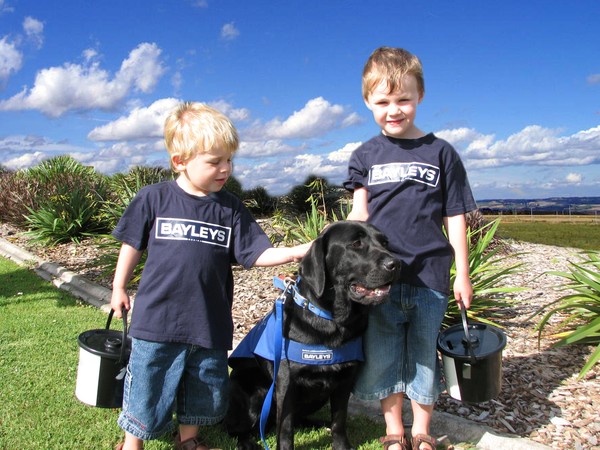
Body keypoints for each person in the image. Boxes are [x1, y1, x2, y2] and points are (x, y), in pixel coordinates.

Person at [110, 102, 311, 450]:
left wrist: (294, 251)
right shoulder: (154, 199)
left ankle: (189, 439)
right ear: (180, 161)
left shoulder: (229, 207)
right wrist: (118, 286)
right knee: (148, 383)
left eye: (229, 160)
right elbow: (131, 245)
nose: (225, 169)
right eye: (214, 161)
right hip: (157, 320)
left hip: (209, 322)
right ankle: (133, 442)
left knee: (203, 385)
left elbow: (255, 252)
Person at [343, 47, 477, 450]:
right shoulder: (364, 156)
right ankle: (394, 433)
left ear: (420, 96)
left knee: (422, 356)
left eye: (403, 99)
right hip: (378, 281)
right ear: (367, 101)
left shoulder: (442, 153)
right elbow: (359, 212)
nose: (394, 109)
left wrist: (463, 274)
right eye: (383, 101)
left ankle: (421, 431)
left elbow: (456, 216)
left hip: (430, 277)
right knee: (383, 354)